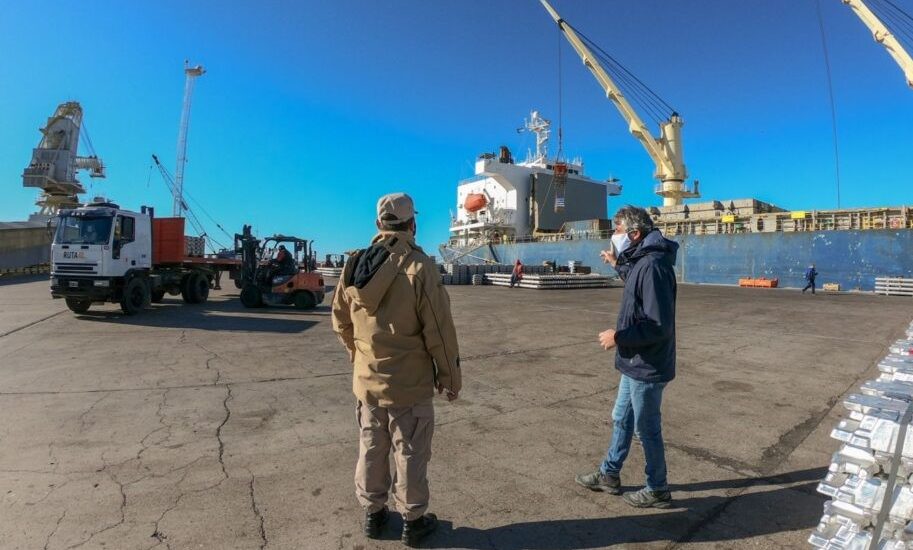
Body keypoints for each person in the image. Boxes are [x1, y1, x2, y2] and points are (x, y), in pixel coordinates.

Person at [332, 192, 461, 547]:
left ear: (378, 224)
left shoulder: (354, 264)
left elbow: (340, 320)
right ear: (413, 225)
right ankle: (412, 520)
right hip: (409, 386)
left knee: (372, 447)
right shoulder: (420, 268)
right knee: (410, 452)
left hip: (367, 384)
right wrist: (450, 378)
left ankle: (373, 516)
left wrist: (358, 359)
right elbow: (440, 331)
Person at [579, 205, 678, 509]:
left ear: (635, 234)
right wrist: (616, 263)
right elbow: (635, 280)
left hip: (646, 364)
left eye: (619, 230)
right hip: (634, 362)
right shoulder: (643, 262)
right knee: (620, 417)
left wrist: (618, 337)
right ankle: (610, 474)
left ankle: (658, 488)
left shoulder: (652, 266)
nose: (615, 235)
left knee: (646, 429)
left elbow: (657, 325)